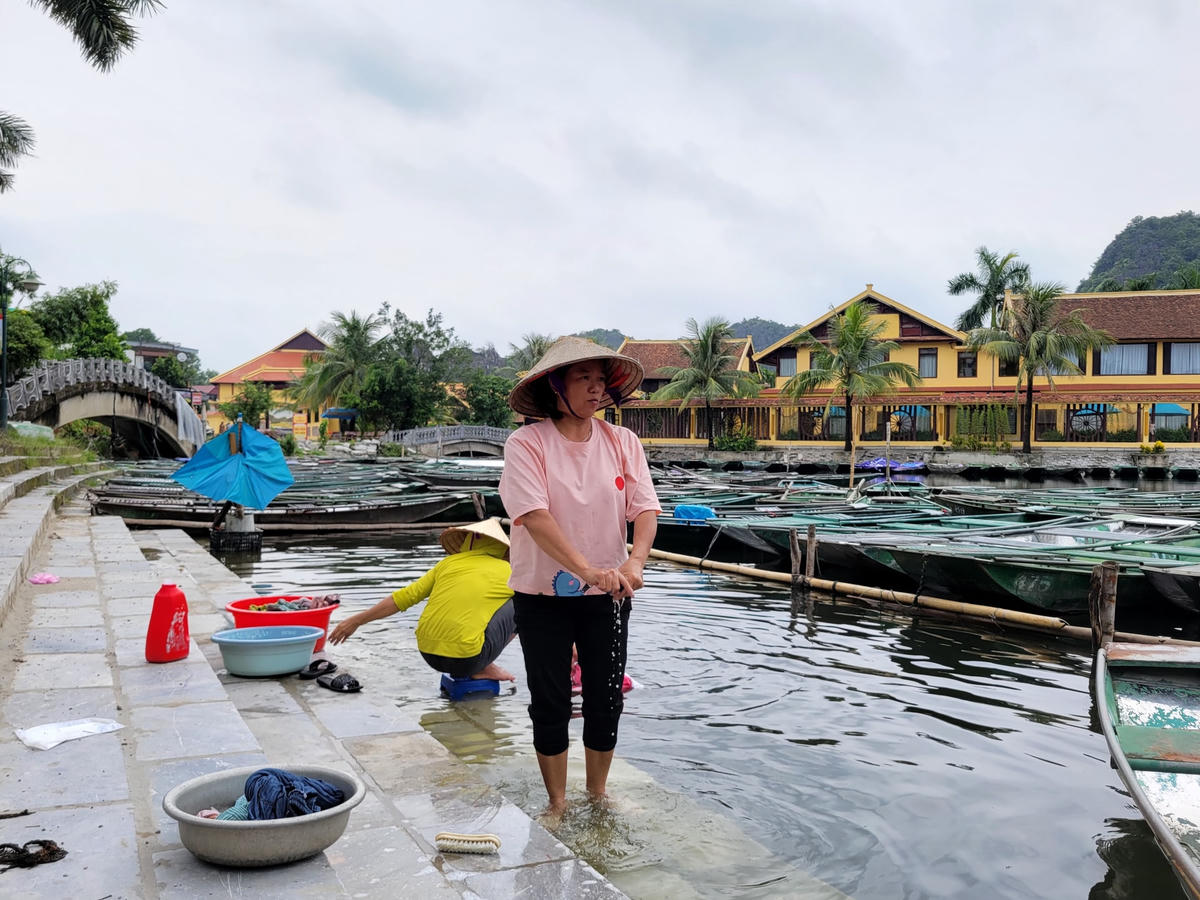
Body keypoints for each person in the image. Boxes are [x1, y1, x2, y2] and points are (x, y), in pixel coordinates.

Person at [498, 335, 660, 816]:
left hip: (609, 595)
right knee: (548, 699)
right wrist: (587, 569)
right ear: (555, 387)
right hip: (541, 595)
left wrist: (636, 562)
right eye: (582, 378)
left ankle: (597, 792)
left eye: (599, 380)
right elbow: (535, 515)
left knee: (605, 696)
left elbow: (646, 509)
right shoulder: (527, 444)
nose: (595, 389)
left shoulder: (622, 441)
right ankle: (557, 801)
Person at [327, 518, 517, 682]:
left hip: (429, 655)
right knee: (524, 603)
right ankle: (484, 667)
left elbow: (402, 598)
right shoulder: (508, 571)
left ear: (467, 542)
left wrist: (356, 620)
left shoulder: (446, 565)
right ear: (500, 547)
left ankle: (482, 664)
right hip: (469, 658)